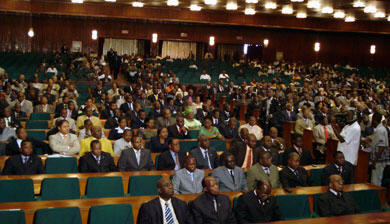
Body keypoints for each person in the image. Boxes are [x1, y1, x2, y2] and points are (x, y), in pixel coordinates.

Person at [370, 112, 390, 186]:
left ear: (374, 120)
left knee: (375, 182)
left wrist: (375, 161)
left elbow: (381, 147)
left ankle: (377, 197)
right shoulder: (380, 128)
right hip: (379, 160)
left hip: (379, 161)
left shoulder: (380, 130)